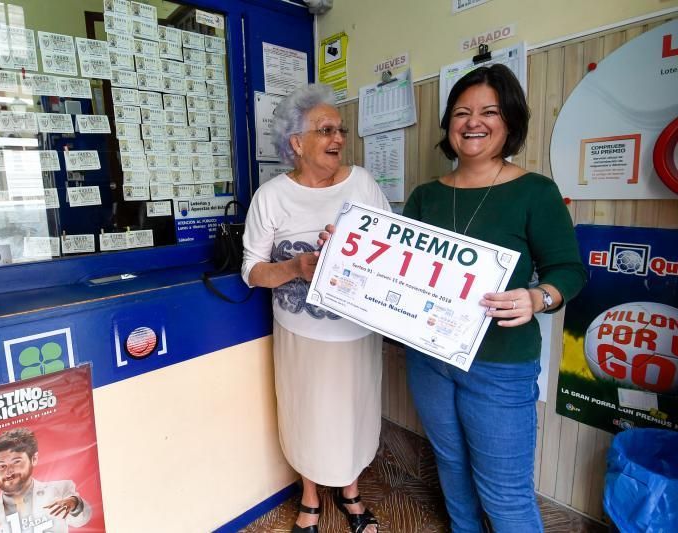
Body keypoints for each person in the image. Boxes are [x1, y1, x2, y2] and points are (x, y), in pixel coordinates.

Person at [400, 64, 586, 532]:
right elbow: (399, 271)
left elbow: (569, 271)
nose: (472, 122)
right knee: (452, 467)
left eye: (489, 111)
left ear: (510, 122)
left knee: (505, 495)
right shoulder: (425, 196)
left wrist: (537, 297)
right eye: (461, 112)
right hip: (429, 358)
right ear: (449, 126)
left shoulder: (536, 192)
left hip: (500, 365)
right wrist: (344, 249)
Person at [242, 84, 388, 533]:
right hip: (300, 335)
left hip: (357, 331)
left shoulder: (362, 182)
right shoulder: (271, 197)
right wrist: (295, 267)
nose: (338, 138)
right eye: (325, 129)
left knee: (355, 411)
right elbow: (251, 271)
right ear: (296, 143)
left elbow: (390, 248)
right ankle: (309, 497)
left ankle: (349, 490)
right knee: (308, 413)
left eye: (340, 129)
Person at [0, 428, 92, 533]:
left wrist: (74, 503)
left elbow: (82, 519)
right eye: (2, 466)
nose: (9, 471)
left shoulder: (60, 489)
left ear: (34, 459)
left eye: (16, 462)